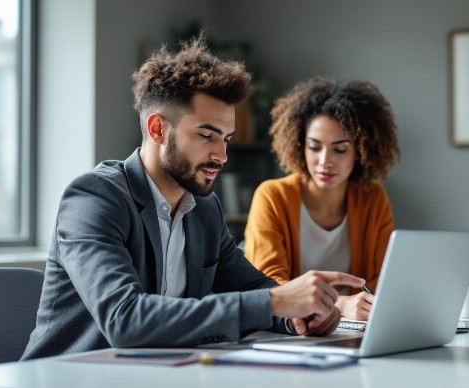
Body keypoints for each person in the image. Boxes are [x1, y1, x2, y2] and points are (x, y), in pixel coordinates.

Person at [21, 39, 363, 360]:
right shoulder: (95, 198)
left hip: (158, 374)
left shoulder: (204, 208)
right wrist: (276, 301)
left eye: (226, 139)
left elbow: (253, 288)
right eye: (206, 136)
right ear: (158, 130)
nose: (222, 156)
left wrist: (299, 316)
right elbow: (124, 320)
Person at [244, 77, 400, 321]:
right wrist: (340, 304)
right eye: (314, 147)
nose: (325, 160)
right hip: (292, 329)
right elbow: (269, 284)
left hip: (355, 327)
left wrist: (358, 307)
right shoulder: (272, 196)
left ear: (361, 151)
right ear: (300, 145)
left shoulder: (373, 198)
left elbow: (383, 278)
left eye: (340, 149)